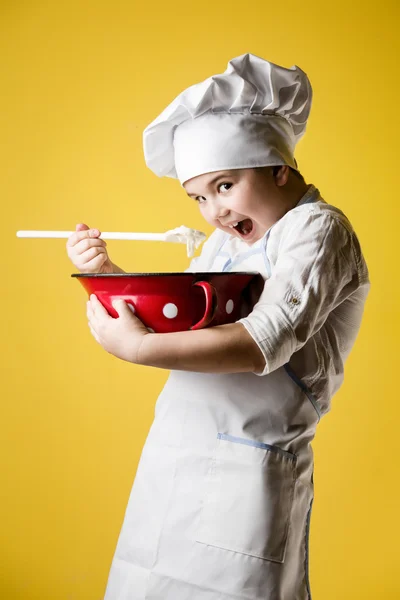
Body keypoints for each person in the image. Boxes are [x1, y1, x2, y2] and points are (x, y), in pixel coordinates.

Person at [66, 54, 370, 600]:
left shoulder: (319, 231)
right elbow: (179, 321)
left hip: (249, 470)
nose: (214, 211)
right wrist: (105, 274)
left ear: (279, 166)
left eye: (225, 186)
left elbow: (264, 341)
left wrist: (136, 350)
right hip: (175, 457)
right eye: (199, 197)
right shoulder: (228, 243)